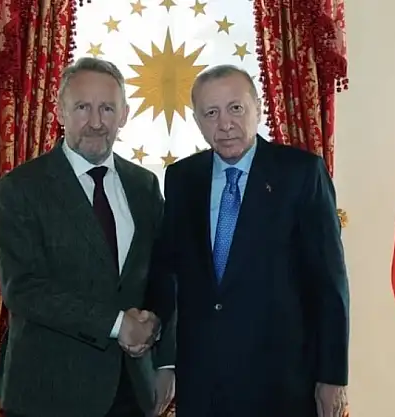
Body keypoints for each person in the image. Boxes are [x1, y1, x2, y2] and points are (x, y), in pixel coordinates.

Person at [145, 64, 350, 417]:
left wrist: (331, 376)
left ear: (258, 108)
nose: (225, 124)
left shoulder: (300, 173)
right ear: (197, 121)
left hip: (282, 383)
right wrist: (163, 357)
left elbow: (329, 282)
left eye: (235, 108)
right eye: (211, 113)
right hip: (202, 383)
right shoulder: (182, 178)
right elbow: (167, 270)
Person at [0, 56, 176, 417]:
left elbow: (163, 275)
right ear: (60, 111)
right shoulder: (21, 188)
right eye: (82, 108)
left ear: (124, 115)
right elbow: (23, 288)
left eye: (107, 108)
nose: (95, 122)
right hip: (49, 393)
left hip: (132, 390)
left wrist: (164, 358)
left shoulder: (144, 185)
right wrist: (117, 324)